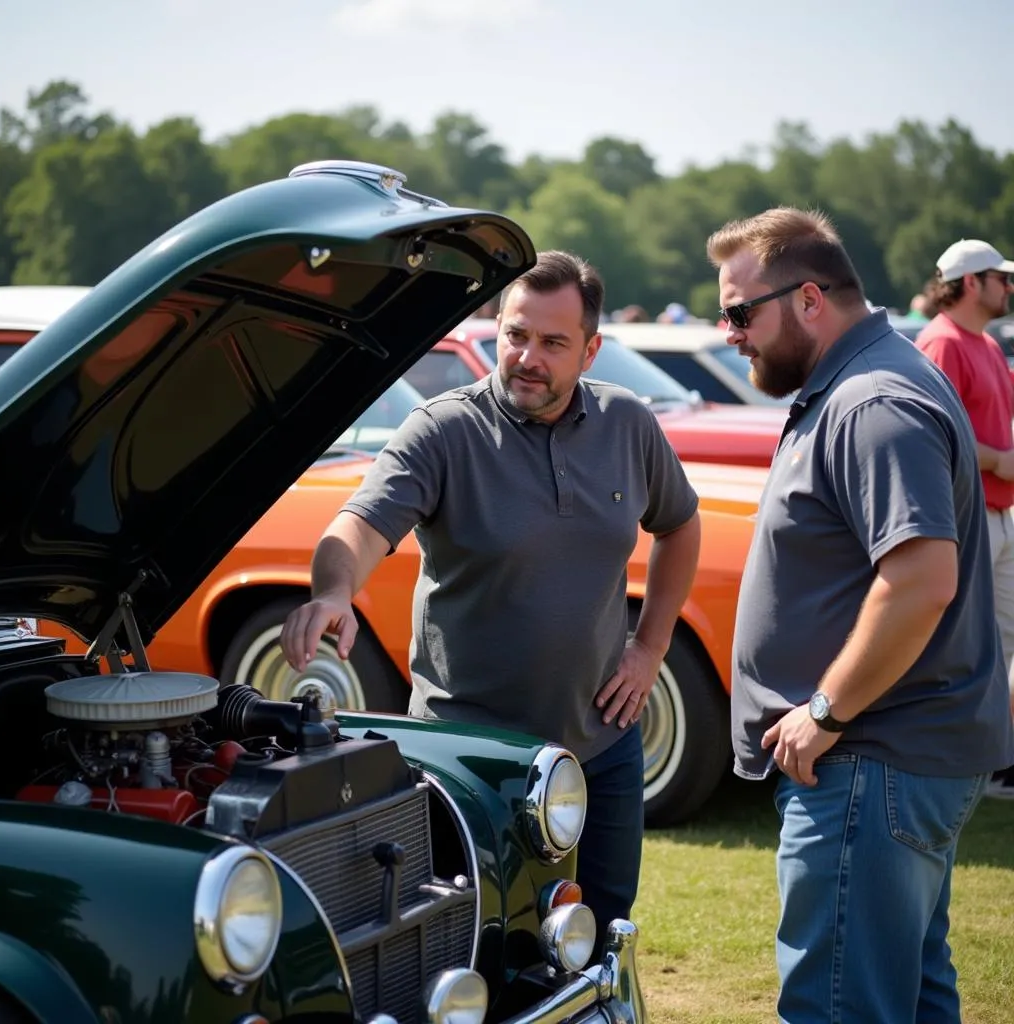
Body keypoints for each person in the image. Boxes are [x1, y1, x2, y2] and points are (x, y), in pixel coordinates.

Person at [280, 250, 702, 950]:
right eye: (515, 334)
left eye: (553, 343)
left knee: (595, 938)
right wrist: (333, 592)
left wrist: (650, 647)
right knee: (475, 948)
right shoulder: (444, 430)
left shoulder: (628, 424)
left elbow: (680, 525)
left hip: (601, 749)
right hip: (468, 760)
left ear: (591, 350)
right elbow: (358, 526)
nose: (527, 357)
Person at [707, 208, 1014, 1023]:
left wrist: (824, 710)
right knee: (908, 998)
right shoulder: (861, 381)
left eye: (740, 311)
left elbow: (920, 581)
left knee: (840, 1006)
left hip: (869, 763)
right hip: (887, 767)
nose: (727, 330)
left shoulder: (873, 399)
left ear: (809, 299)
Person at [915, 240, 1014, 794]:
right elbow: (933, 431)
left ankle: (994, 754)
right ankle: (973, 757)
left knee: (1001, 644)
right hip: (967, 520)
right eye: (1001, 277)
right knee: (972, 644)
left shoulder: (985, 343)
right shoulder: (943, 343)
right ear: (971, 282)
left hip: (998, 514)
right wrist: (1002, 460)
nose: (1009, 287)